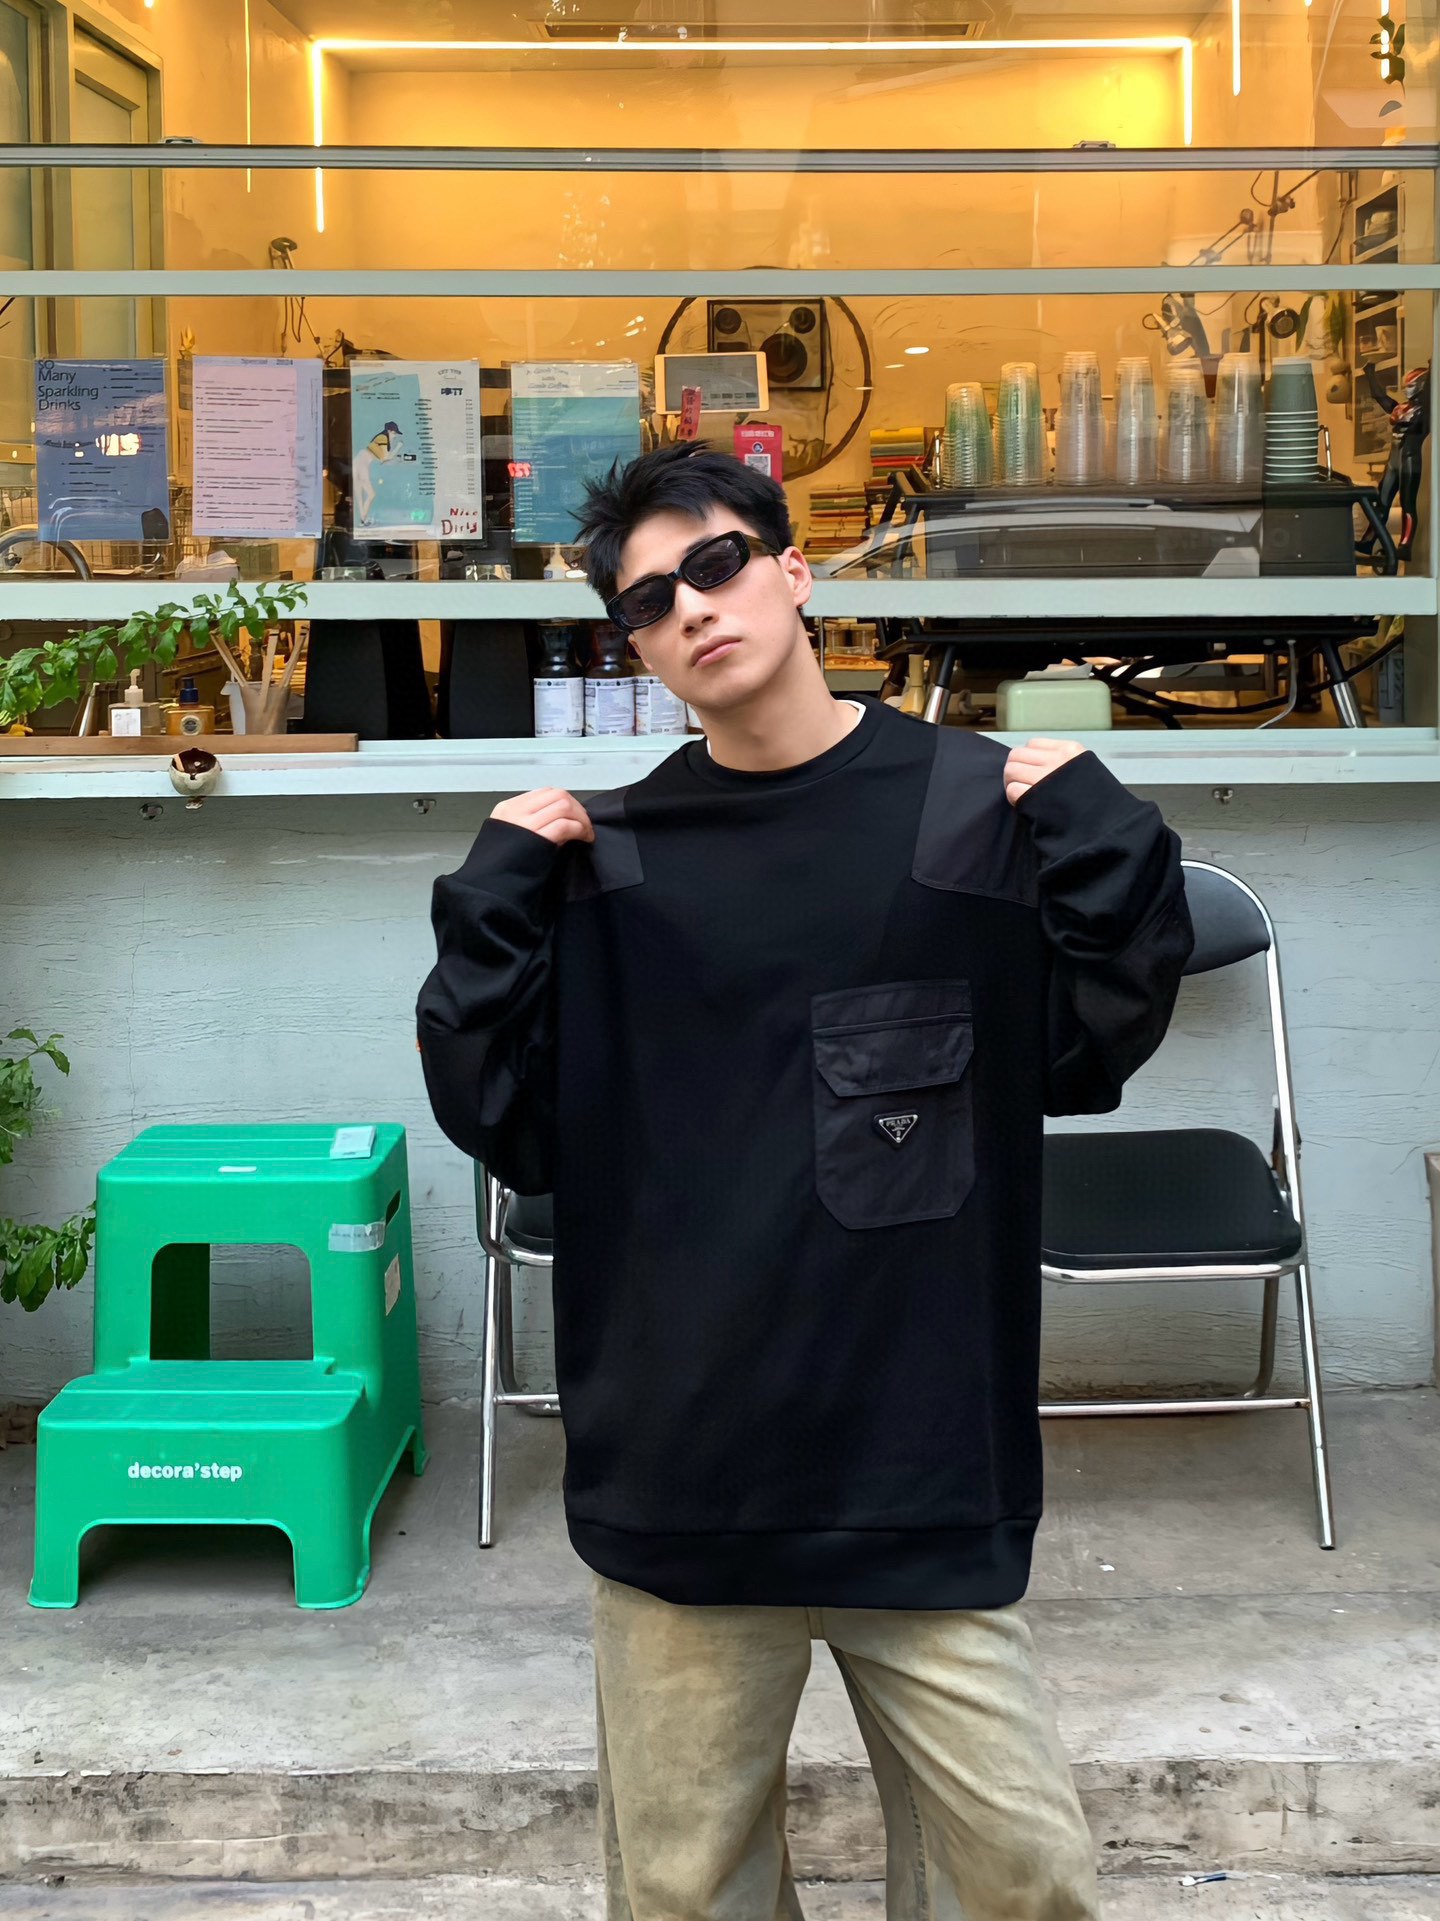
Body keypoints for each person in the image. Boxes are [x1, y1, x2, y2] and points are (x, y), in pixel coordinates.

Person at [416, 442, 1194, 1920]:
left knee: (1025, 1881)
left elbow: (1088, 1050)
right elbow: (508, 1124)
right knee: (686, 1893)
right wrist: (494, 904)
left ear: (793, 570)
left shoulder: (968, 815)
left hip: (923, 1468)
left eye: (715, 564)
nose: (692, 609)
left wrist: (1109, 844)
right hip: (686, 1479)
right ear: (634, 646)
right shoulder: (615, 865)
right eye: (648, 601)